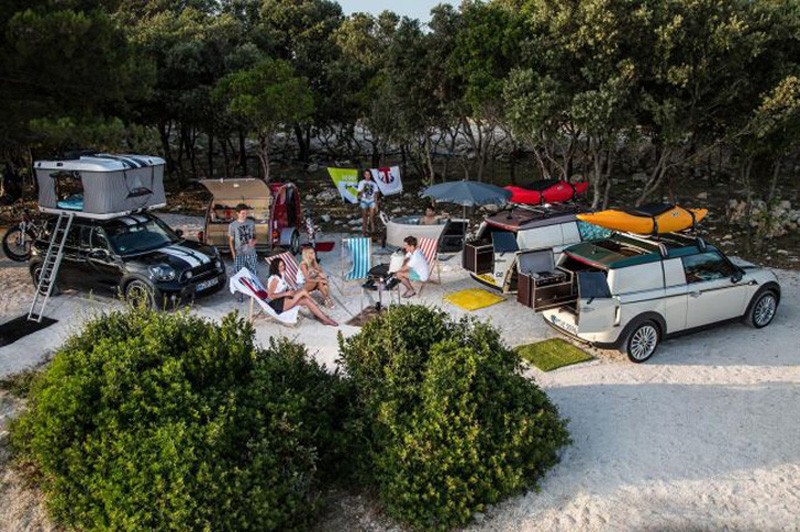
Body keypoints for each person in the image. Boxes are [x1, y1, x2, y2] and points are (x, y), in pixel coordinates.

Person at [266, 257, 338, 326]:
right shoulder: (275, 279)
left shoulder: (281, 274)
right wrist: (285, 293)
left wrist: (289, 291)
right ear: (275, 268)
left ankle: (323, 318)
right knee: (303, 291)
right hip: (278, 304)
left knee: (306, 300)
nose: (283, 267)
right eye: (280, 266)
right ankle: (323, 315)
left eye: (283, 265)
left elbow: (283, 287)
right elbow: (270, 295)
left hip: (285, 298)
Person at [228, 203, 258, 275]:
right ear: (237, 213)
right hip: (239, 254)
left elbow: (255, 236)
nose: (245, 215)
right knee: (239, 275)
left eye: (246, 213)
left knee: (253, 274)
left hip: (251, 253)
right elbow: (231, 241)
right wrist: (233, 254)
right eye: (243, 213)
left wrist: (255, 241)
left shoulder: (251, 223)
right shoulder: (232, 225)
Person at [356, 169, 379, 237]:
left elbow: (376, 195)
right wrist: (363, 188)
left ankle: (373, 235)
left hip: (372, 201)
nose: (367, 176)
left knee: (372, 218)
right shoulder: (361, 182)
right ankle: (364, 234)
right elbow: (359, 194)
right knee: (364, 218)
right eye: (366, 174)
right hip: (364, 201)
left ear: (370, 175)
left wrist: (376, 205)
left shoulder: (374, 183)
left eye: (368, 174)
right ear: (364, 175)